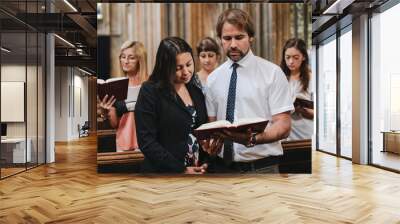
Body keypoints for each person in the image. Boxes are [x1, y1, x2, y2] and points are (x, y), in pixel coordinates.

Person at [202, 8, 294, 173]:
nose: (233, 44)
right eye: (227, 38)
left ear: (251, 37)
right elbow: (212, 123)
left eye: (239, 37)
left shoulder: (272, 73)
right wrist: (208, 144)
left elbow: (284, 124)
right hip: (222, 168)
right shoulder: (213, 79)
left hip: (262, 167)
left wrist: (252, 139)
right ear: (220, 40)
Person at [135, 37, 209, 174]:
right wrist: (181, 170)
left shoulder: (195, 90)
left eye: (189, 64)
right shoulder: (150, 91)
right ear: (165, 67)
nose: (186, 72)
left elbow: (201, 129)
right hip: (163, 173)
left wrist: (205, 159)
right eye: (178, 68)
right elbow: (147, 142)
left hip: (196, 170)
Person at [98, 40, 148, 152]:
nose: (126, 61)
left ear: (140, 60)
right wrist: (105, 111)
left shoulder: (150, 84)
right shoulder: (116, 85)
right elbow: (115, 123)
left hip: (147, 142)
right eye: (123, 57)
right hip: (123, 142)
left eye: (131, 57)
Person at [280, 38, 314, 140]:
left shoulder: (311, 79)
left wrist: (303, 110)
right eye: (288, 57)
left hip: (305, 134)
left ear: (303, 57)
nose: (291, 61)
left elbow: (319, 114)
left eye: (295, 57)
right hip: (284, 135)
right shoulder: (279, 77)